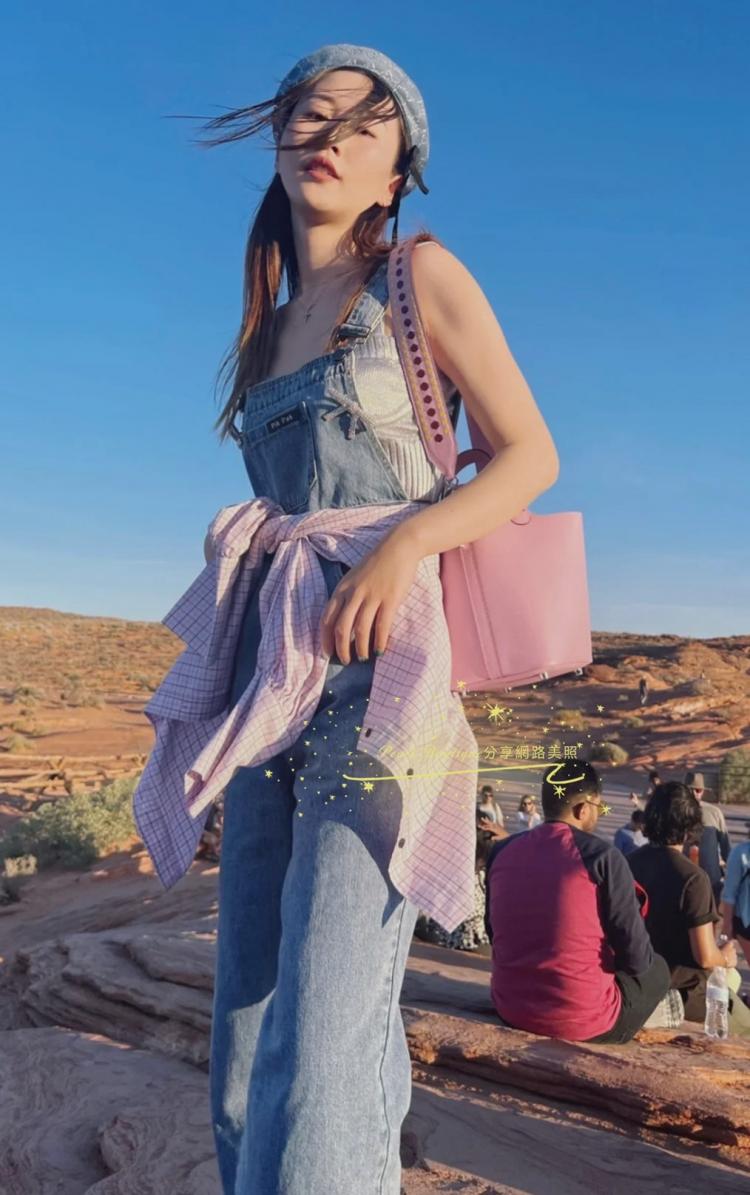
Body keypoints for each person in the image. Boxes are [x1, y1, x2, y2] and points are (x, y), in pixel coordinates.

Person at [130, 44, 560, 1195]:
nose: (329, 137)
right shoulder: (266, 332)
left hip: (385, 691)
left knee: (325, 1034)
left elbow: (529, 455)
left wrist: (409, 541)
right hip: (272, 684)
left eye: (364, 126)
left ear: (396, 173)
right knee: (245, 1033)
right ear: (277, 141)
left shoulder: (418, 278)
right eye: (310, 114)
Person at [484, 761, 670, 1043]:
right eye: (598, 806)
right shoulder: (602, 857)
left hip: (510, 1007)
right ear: (583, 808)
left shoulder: (502, 851)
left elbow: (493, 933)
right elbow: (636, 960)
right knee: (658, 970)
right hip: (582, 1021)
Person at [628, 783, 750, 1037]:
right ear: (690, 826)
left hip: (635, 984)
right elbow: (705, 957)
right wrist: (726, 957)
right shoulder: (693, 878)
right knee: (746, 1026)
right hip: (684, 995)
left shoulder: (627, 863)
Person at [684, 770, 730, 905]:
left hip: (711, 878)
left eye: (697, 790)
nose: (694, 793)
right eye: (690, 790)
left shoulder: (714, 813)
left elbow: (726, 847)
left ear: (702, 791)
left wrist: (732, 873)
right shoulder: (676, 812)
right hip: (683, 876)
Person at [720, 825, 750, 969]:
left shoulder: (740, 853)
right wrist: (727, 927)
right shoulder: (741, 854)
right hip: (746, 923)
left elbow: (729, 894)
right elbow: (729, 894)